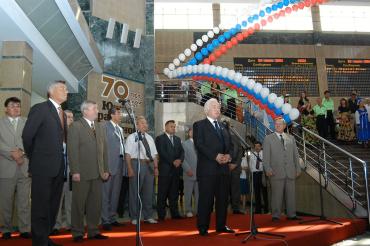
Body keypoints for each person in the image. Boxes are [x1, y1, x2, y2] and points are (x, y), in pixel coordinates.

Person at [22, 80, 68, 246]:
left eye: (66, 89)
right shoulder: (40, 109)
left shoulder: (61, 112)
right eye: (62, 88)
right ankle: (39, 242)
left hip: (58, 167)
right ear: (51, 91)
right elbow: (27, 136)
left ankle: (44, 238)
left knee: (52, 206)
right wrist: (35, 157)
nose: (66, 91)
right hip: (42, 166)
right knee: (40, 206)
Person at [68, 100, 110, 242]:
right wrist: (75, 171)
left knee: (95, 204)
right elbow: (72, 151)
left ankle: (93, 231)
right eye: (94, 108)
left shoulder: (99, 127)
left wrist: (105, 169)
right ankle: (77, 232)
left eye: (96, 108)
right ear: (85, 111)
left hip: (98, 173)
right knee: (79, 204)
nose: (97, 111)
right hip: (82, 173)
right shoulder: (76, 126)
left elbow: (104, 151)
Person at [193, 98, 234, 236]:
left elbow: (231, 145)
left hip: (223, 169)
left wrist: (229, 156)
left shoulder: (223, 126)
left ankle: (221, 226)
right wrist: (215, 156)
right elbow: (199, 144)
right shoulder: (199, 125)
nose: (218, 109)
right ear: (207, 110)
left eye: (219, 107)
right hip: (208, 170)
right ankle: (203, 226)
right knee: (206, 199)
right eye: (215, 107)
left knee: (223, 199)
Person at [0, 97, 30, 239]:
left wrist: (22, 153)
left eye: (18, 106)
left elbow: (31, 140)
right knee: (6, 201)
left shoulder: (27, 122)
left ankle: (24, 229)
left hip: (24, 167)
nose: (16, 108)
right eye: (12, 106)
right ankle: (6, 229)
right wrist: (13, 154)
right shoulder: (0, 123)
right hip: (6, 167)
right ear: (6, 108)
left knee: (24, 201)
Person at [263, 118, 301, 222]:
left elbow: (295, 155)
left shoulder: (291, 138)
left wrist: (298, 168)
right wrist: (268, 168)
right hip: (275, 172)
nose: (278, 125)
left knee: (291, 194)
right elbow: (265, 157)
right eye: (276, 124)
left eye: (280, 124)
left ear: (284, 126)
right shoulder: (268, 138)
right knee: (276, 195)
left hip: (290, 171)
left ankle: (291, 214)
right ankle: (276, 215)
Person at [125, 116, 159, 225]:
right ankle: (134, 217)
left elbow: (154, 155)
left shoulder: (150, 138)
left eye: (146, 123)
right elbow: (128, 154)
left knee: (149, 193)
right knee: (135, 192)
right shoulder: (131, 137)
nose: (145, 125)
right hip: (136, 164)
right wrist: (129, 168)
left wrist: (156, 167)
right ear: (137, 125)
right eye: (142, 123)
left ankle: (148, 216)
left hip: (149, 165)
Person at [101, 107, 125, 230]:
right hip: (109, 165)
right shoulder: (105, 127)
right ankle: (105, 220)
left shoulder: (120, 129)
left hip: (120, 163)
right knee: (106, 194)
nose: (121, 115)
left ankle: (112, 217)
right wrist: (104, 166)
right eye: (119, 113)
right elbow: (101, 148)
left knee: (115, 193)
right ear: (112, 115)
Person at [155, 120, 184, 220]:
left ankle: (175, 214)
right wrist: (173, 161)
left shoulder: (177, 139)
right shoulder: (160, 138)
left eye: (174, 127)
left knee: (174, 193)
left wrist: (180, 160)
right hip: (165, 170)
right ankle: (161, 215)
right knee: (162, 194)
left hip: (176, 171)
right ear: (166, 127)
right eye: (171, 126)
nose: (173, 128)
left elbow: (182, 152)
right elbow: (162, 152)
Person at [52, 110, 74, 234]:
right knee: (57, 199)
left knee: (70, 199)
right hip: (58, 170)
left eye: (72, 117)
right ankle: (56, 225)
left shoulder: (75, 133)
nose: (70, 119)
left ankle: (70, 223)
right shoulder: (55, 133)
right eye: (67, 117)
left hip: (72, 171)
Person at [223, 120, 244, 214]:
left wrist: (235, 164)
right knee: (224, 189)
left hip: (235, 167)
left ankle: (236, 208)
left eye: (227, 125)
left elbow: (240, 151)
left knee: (236, 189)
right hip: (224, 167)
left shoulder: (235, 137)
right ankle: (223, 208)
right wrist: (227, 164)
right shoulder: (219, 138)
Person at [182, 126, 199, 218]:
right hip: (189, 173)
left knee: (198, 194)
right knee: (188, 193)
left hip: (199, 173)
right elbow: (182, 158)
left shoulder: (200, 144)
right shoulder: (184, 144)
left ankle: (197, 210)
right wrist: (187, 169)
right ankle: (188, 210)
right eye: (192, 131)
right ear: (189, 133)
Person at [248, 142, 268, 214]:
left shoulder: (264, 154)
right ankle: (258, 210)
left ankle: (266, 210)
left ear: (261, 147)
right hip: (255, 174)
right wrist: (252, 172)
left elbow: (266, 164)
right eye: (255, 146)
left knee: (264, 193)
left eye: (258, 146)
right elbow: (250, 164)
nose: (257, 148)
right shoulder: (252, 154)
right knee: (256, 193)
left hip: (262, 174)